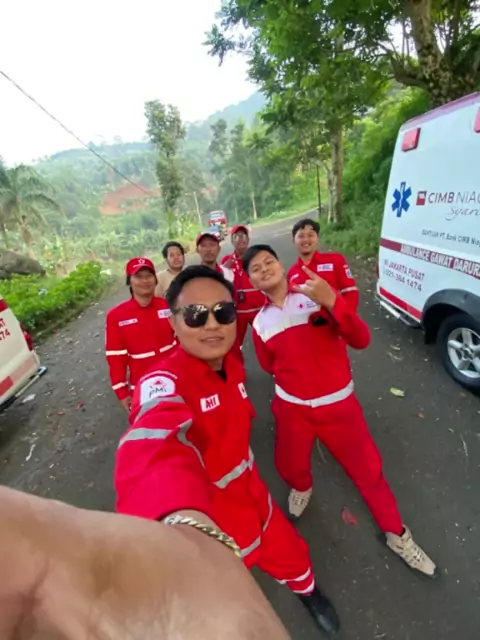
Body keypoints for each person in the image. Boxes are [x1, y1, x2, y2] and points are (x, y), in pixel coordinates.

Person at [114, 265, 341, 636]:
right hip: (215, 518)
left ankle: (308, 592)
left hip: (255, 495)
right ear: (173, 323)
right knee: (229, 588)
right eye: (195, 315)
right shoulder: (162, 381)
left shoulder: (231, 365)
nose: (211, 324)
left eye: (223, 312)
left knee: (291, 554)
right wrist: (173, 517)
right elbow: (153, 443)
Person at [244, 244, 437, 579]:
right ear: (250, 281)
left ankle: (398, 535)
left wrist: (332, 301)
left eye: (268, 262)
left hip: (339, 407)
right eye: (255, 269)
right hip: (292, 410)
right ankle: (302, 487)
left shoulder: (316, 295)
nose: (264, 269)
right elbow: (268, 364)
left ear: (282, 265)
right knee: (290, 466)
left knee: (369, 473)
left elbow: (360, 338)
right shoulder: (260, 322)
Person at [0, 485, 291, 639]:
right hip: (221, 546)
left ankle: (307, 591)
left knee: (294, 566)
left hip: (254, 528)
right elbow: (152, 449)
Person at [105, 257, 177, 412]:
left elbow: (182, 342)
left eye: (149, 275)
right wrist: (122, 392)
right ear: (129, 281)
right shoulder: (116, 316)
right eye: (138, 276)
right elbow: (115, 357)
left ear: (155, 280)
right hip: (143, 389)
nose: (145, 280)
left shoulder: (167, 307)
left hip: (175, 381)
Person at [287, 218, 359, 311]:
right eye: (301, 236)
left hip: (335, 318)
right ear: (293, 240)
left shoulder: (335, 260)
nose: (306, 239)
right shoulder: (291, 273)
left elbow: (351, 292)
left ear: (317, 238)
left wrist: (344, 316)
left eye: (310, 235)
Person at [221, 224, 266, 358]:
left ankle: (272, 366)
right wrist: (224, 268)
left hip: (258, 310)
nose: (240, 239)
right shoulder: (227, 261)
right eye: (236, 237)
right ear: (232, 241)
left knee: (265, 340)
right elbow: (221, 284)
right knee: (234, 345)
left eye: (243, 236)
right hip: (238, 312)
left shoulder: (256, 258)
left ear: (248, 239)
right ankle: (236, 368)